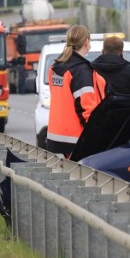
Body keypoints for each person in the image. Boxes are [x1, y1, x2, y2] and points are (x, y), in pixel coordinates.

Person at [46, 25, 105, 158]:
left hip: (56, 135)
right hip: (75, 138)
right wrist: (97, 137)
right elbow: (88, 109)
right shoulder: (81, 71)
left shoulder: (54, 69)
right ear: (86, 43)